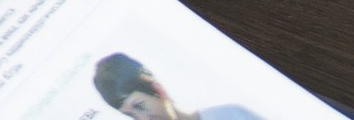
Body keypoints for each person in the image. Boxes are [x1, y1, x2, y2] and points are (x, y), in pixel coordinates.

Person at [91, 54, 269, 120]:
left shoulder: (229, 115)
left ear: (157, 89)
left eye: (139, 106)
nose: (143, 119)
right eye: (130, 115)